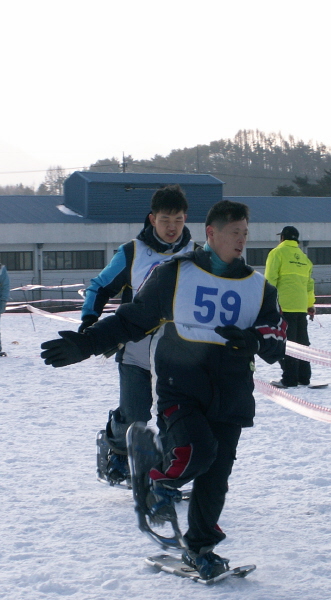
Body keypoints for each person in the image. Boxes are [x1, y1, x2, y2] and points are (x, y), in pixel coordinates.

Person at [41, 199, 286, 580]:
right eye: (234, 233)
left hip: (232, 393)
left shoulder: (259, 288)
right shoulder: (176, 274)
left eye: (245, 233)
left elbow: (277, 338)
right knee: (197, 451)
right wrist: (85, 344)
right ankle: (155, 481)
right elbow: (132, 319)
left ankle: (200, 549)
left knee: (216, 479)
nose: (241, 241)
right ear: (211, 233)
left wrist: (254, 339)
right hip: (180, 387)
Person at [81, 184, 197, 485]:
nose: (172, 228)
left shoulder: (196, 255)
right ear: (152, 218)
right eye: (164, 220)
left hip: (176, 351)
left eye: (178, 221)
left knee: (172, 413)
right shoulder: (132, 252)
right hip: (135, 346)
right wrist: (90, 320)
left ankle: (164, 470)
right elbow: (100, 286)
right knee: (135, 414)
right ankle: (115, 448)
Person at [264, 225, 315, 388]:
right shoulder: (304, 258)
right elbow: (309, 285)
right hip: (301, 306)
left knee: (285, 343)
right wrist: (310, 305)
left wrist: (266, 303)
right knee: (302, 343)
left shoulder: (276, 253)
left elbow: (270, 281)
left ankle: (290, 378)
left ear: (282, 238)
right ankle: (304, 377)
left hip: (283, 306)